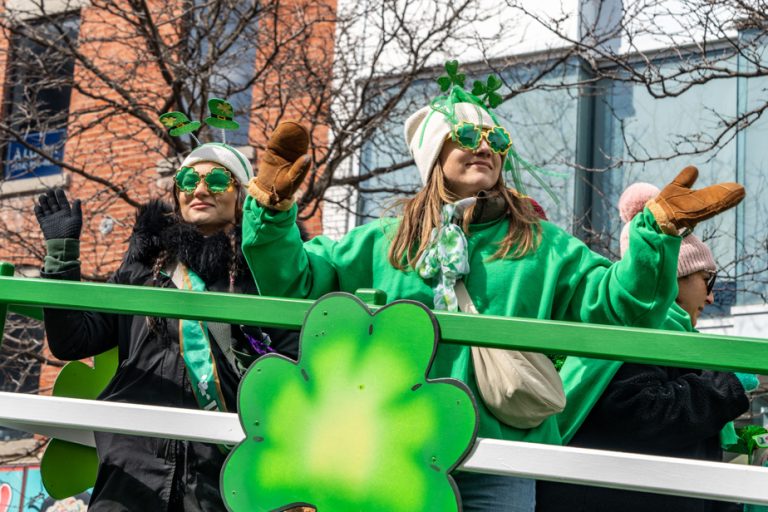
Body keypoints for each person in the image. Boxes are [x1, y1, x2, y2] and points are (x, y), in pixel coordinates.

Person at [239, 71, 744, 511]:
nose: (484, 146)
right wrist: (273, 213)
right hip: (391, 449)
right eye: (465, 134)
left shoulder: (544, 246)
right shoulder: (381, 241)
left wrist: (655, 235)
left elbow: (619, 305)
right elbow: (297, 282)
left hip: (499, 454)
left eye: (495, 138)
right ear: (434, 153)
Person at [34, 139, 299, 511]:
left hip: (224, 474)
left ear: (241, 195)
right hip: (131, 470)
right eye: (189, 179)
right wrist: (62, 258)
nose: (201, 190)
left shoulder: (266, 273)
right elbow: (72, 341)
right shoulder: (142, 268)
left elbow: (294, 367)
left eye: (218, 181)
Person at [536, 182, 756, 512]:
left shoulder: (673, 336)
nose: (711, 296)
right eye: (707, 279)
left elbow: (688, 449)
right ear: (676, 275)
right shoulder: (637, 328)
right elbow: (637, 413)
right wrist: (725, 386)